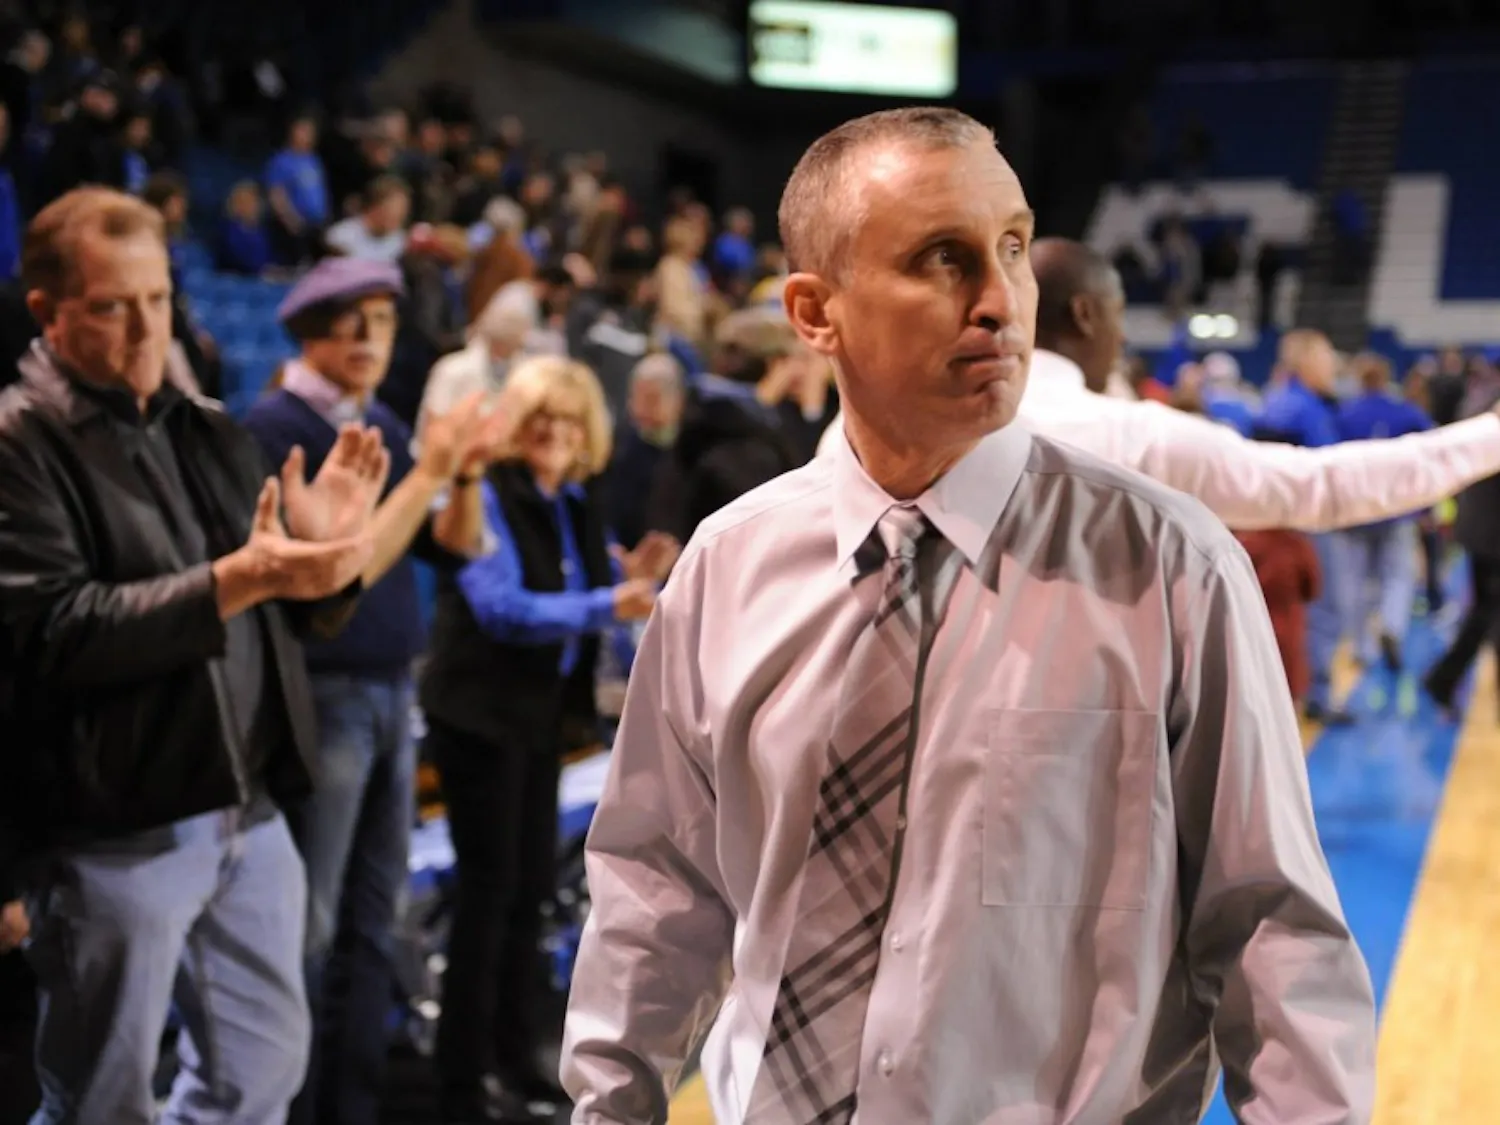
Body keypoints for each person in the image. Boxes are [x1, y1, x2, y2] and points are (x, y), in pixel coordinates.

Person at [563, 107, 1375, 1124]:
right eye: (943, 260)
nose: (1001, 301)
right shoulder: (727, 569)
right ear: (816, 313)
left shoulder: (1172, 566)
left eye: (1014, 248)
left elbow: (1271, 928)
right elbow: (656, 889)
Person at [0, 187, 388, 1123]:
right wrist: (243, 578)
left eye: (159, 298)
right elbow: (55, 630)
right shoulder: (18, 438)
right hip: (114, 824)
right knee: (102, 1100)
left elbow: (287, 611)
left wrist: (325, 559)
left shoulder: (202, 422)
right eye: (111, 306)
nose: (144, 328)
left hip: (245, 811)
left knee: (260, 1075)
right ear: (47, 314)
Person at [242, 256, 505, 1125]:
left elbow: (455, 548)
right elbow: (339, 577)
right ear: (307, 331)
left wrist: (459, 473)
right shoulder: (272, 426)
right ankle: (294, 1104)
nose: (367, 339)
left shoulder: (384, 423)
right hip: (325, 693)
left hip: (393, 688)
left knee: (372, 917)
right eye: (349, 321)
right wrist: (428, 472)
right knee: (311, 929)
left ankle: (348, 1106)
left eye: (382, 323)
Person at [815, 238, 1500, 535]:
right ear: (1086, 315)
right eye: (1116, 319)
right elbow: (1318, 487)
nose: (1122, 340)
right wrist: (1487, 436)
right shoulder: (1132, 435)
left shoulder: (862, 431)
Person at [419, 356, 676, 1124]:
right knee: (489, 895)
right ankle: (461, 1081)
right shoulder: (489, 496)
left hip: (534, 721)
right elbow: (503, 608)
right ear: (517, 428)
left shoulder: (572, 501)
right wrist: (609, 599)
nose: (555, 438)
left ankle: (518, 1052)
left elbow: (603, 587)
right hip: (476, 717)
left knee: (530, 893)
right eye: (541, 424)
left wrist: (630, 582)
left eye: (568, 425)